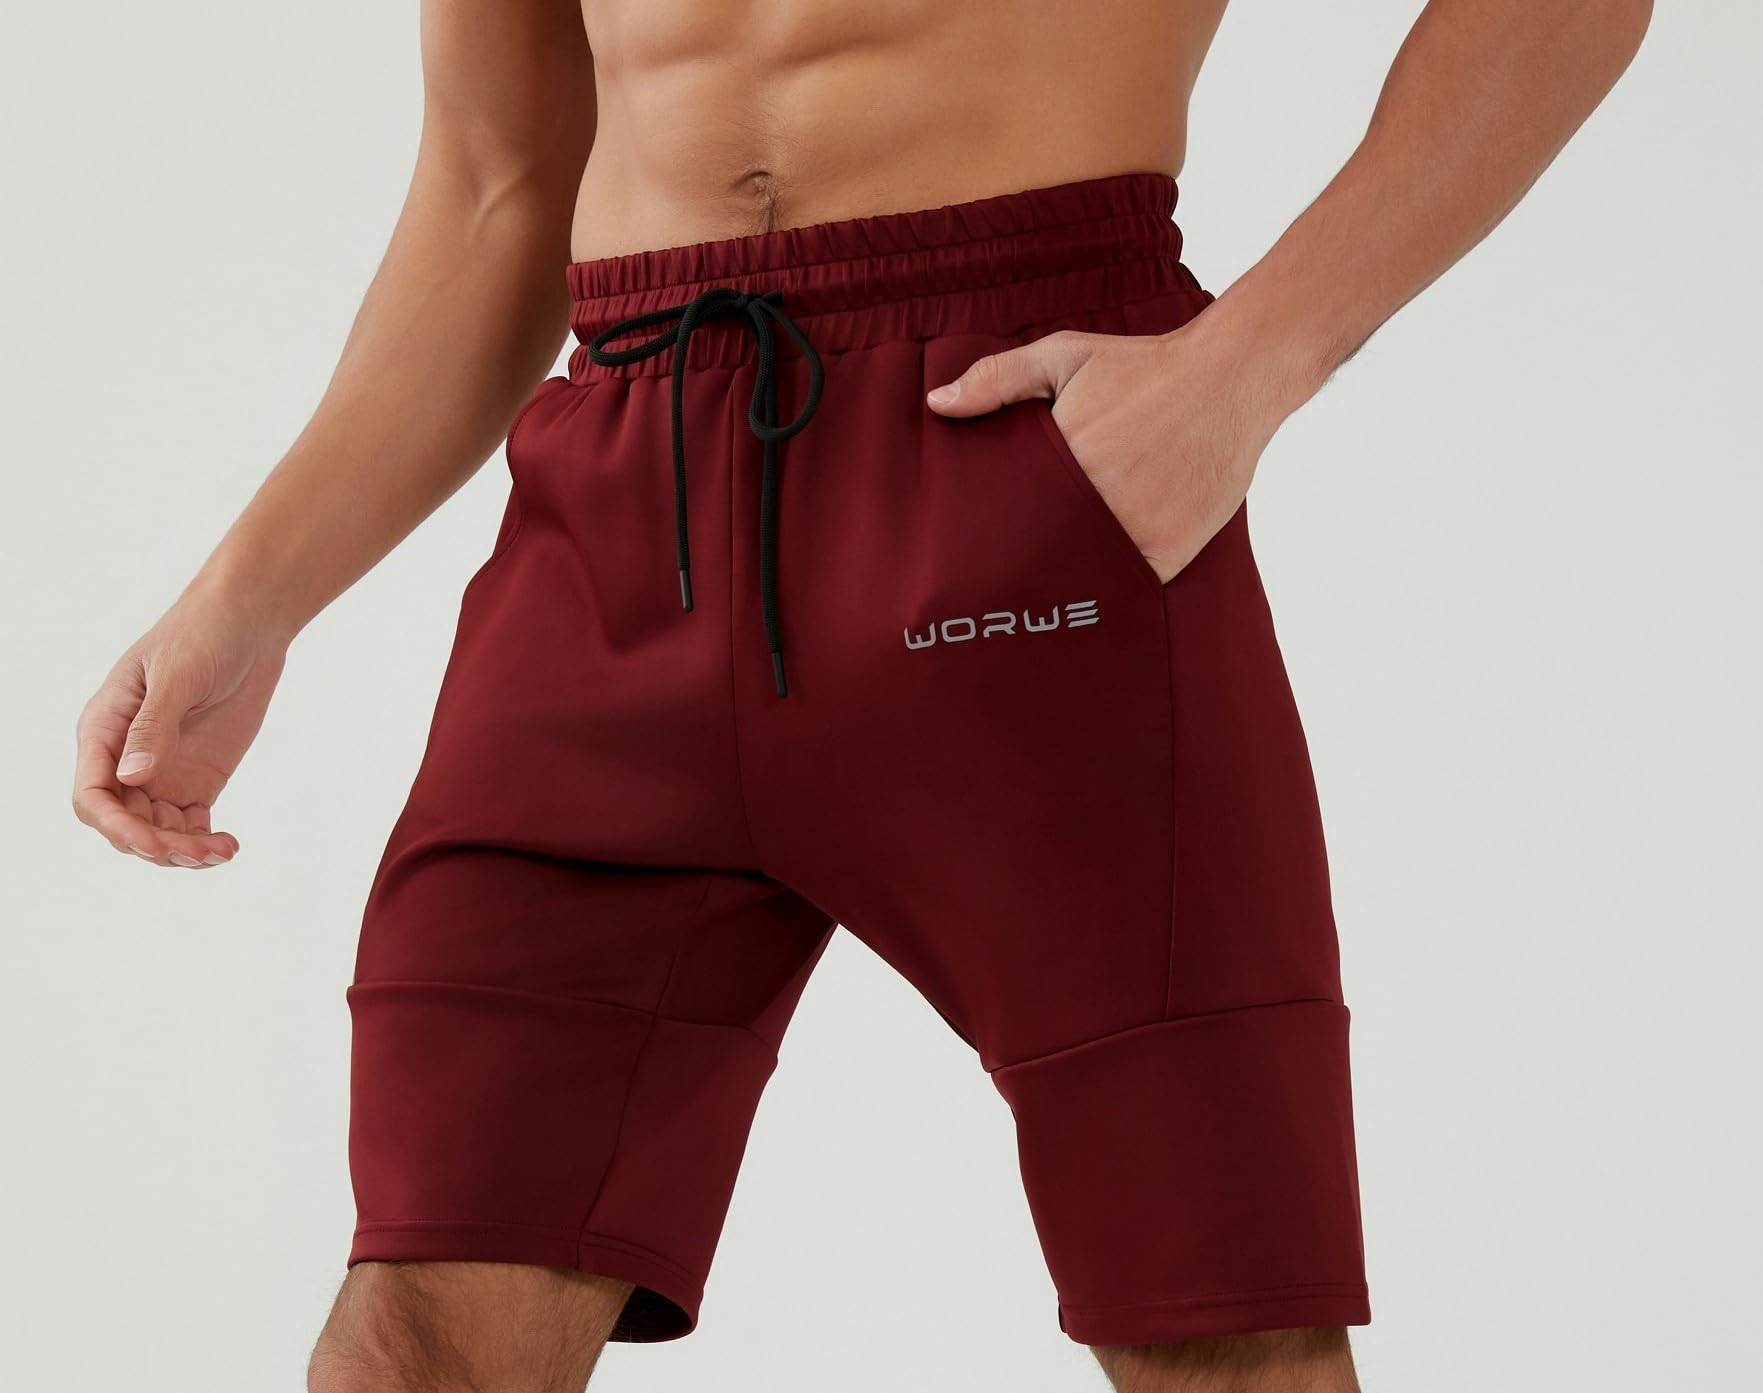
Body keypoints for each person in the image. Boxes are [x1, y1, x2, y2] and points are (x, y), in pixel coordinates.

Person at [71, 1, 1650, 1388]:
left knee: (1220, 1336)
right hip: (616, 526)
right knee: (413, 1347)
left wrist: (1247, 368)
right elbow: (500, 188)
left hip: (1017, 460)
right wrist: (248, 601)